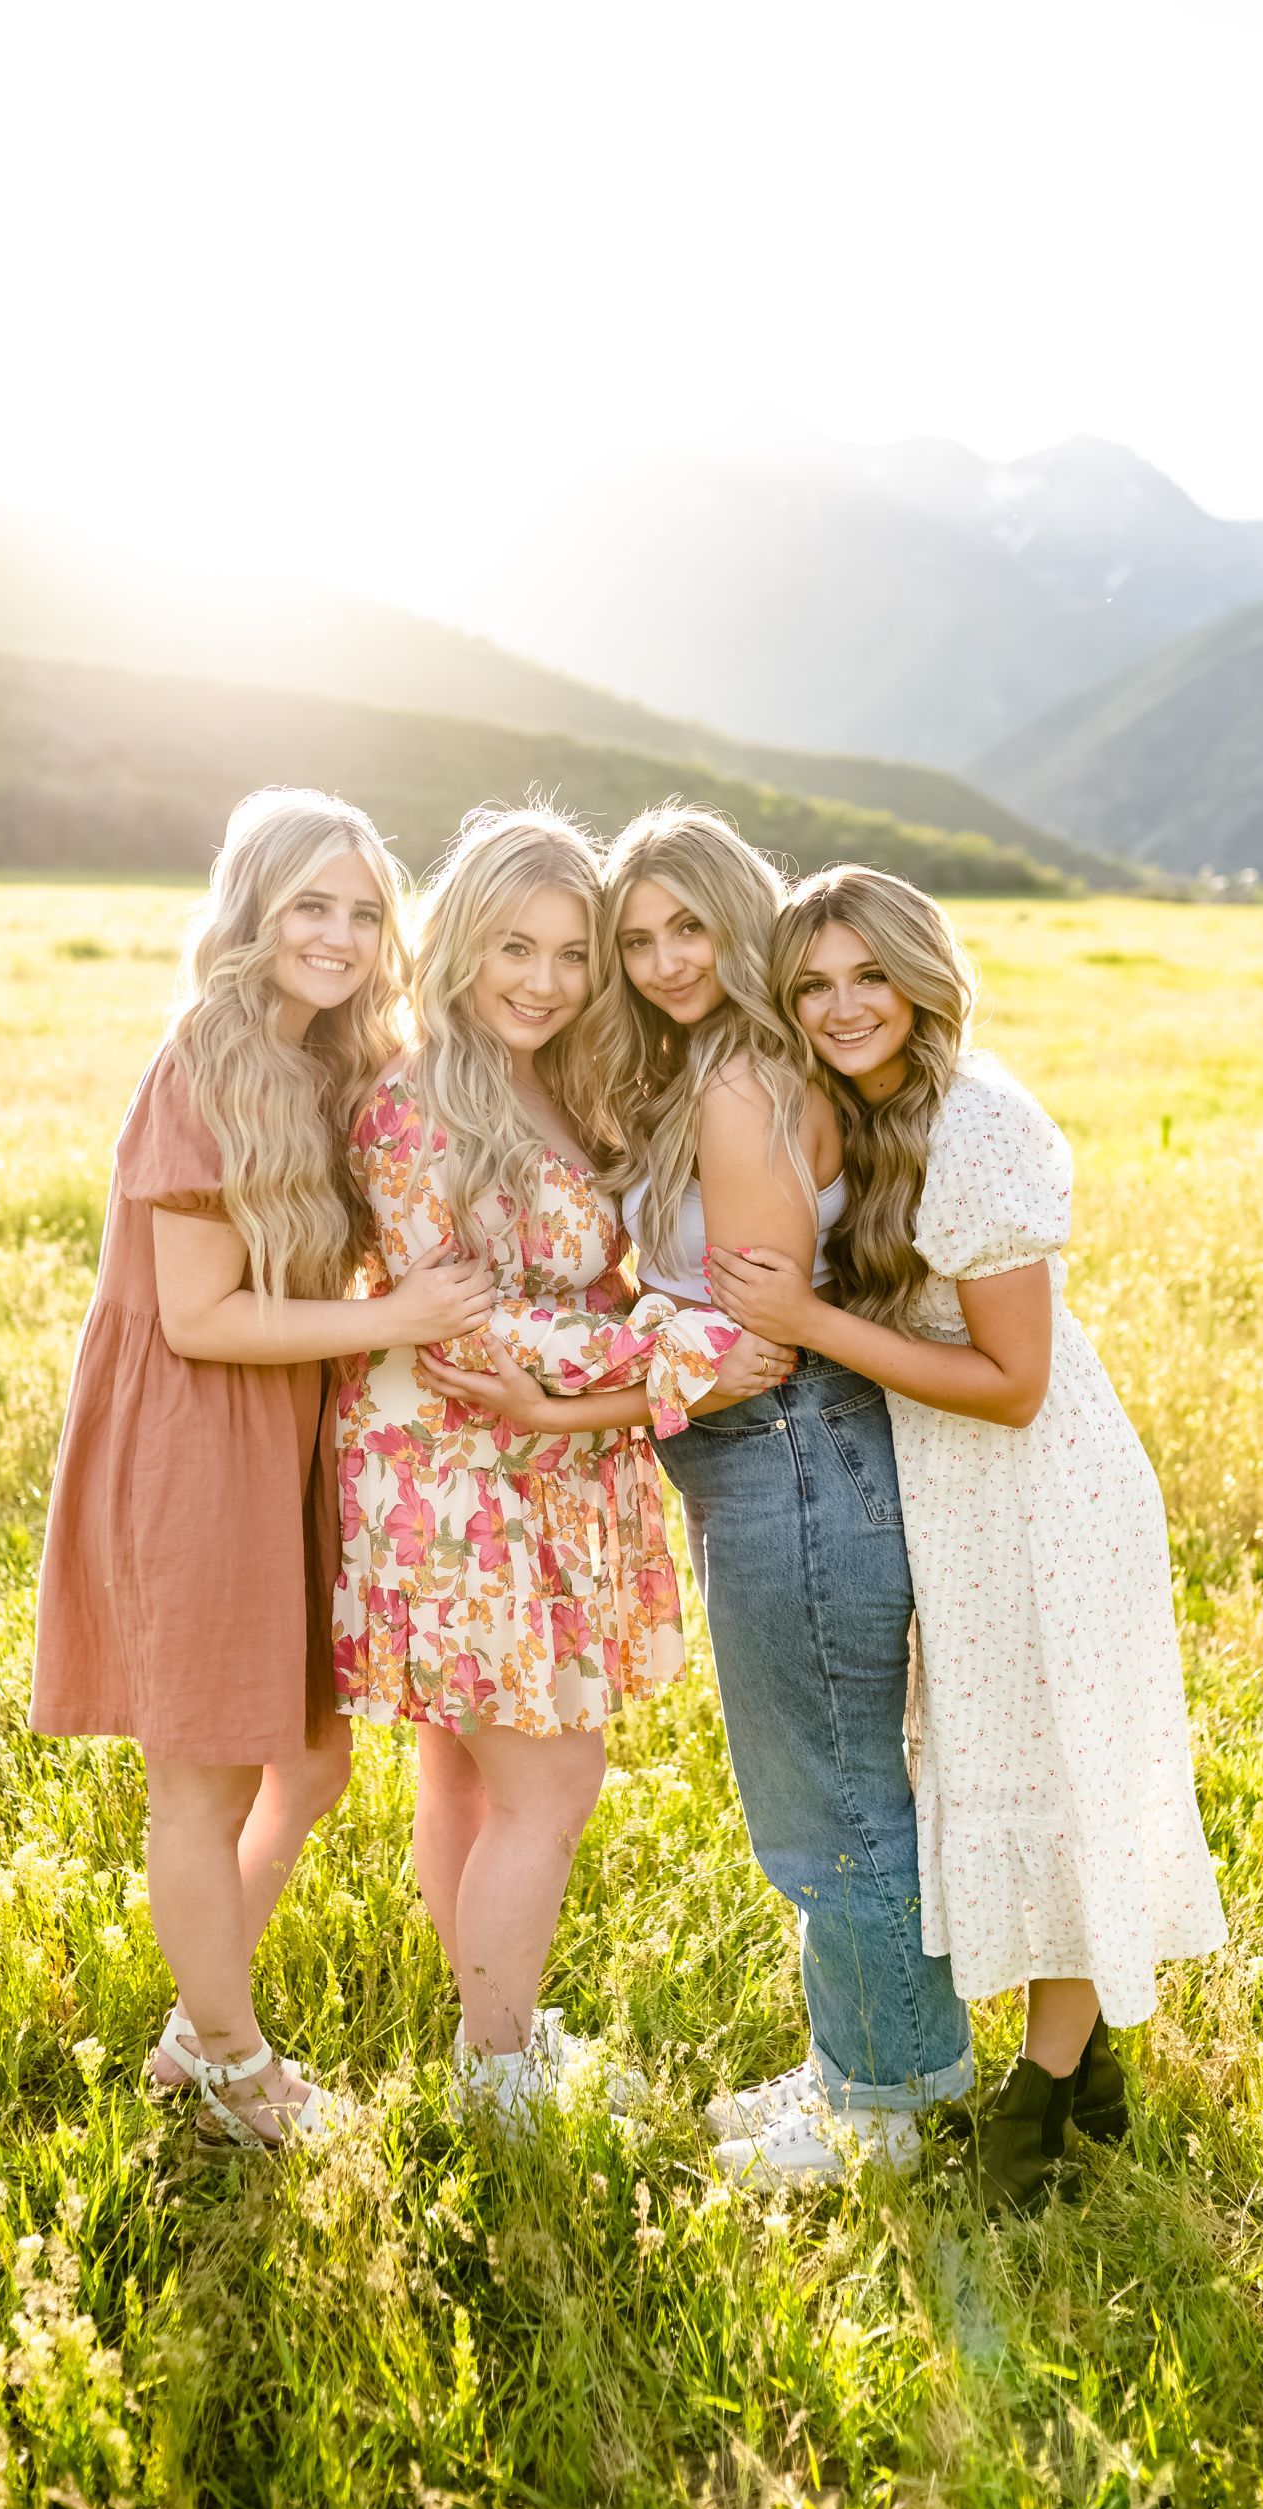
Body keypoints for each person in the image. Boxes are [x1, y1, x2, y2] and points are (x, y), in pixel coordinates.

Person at [426, 804, 975, 2189]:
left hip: (790, 1449)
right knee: (824, 1780)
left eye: (692, 927)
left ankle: (886, 2104)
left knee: (830, 1800)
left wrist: (564, 1406)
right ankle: (874, 2059)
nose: (667, 959)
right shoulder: (717, 1066)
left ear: (744, 918)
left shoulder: (739, 1085)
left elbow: (757, 1350)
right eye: (641, 937)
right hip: (776, 1463)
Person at [708, 865, 1228, 2214]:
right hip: (959, 1499)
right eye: (812, 984)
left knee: (1061, 1780)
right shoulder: (864, 1114)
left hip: (1042, 1496)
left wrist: (812, 1324)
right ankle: (1087, 2063)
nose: (840, 1005)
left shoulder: (977, 1124)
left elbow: (1013, 1381)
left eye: (866, 974)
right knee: (1006, 1768)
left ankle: (1031, 2119)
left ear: (919, 974)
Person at [30, 786, 494, 2148]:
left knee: (310, 1757)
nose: (340, 934)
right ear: (251, 909)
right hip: (192, 1431)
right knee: (209, 1774)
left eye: (363, 911)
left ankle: (197, 2022)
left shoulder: (326, 1060)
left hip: (285, 1424)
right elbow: (196, 1316)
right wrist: (395, 1320)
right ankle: (229, 2064)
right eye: (311, 905)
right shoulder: (206, 1063)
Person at [336, 804, 781, 2128]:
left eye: (569, 952)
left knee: (470, 1770)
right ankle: (499, 2071)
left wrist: (627, 1346)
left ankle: (495, 2032)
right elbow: (464, 1313)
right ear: (458, 942)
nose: (541, 979)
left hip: (537, 1462)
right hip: (456, 1475)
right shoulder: (415, 1098)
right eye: (510, 948)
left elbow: (564, 1282)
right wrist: (674, 1348)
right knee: (547, 1777)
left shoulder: (557, 1077)